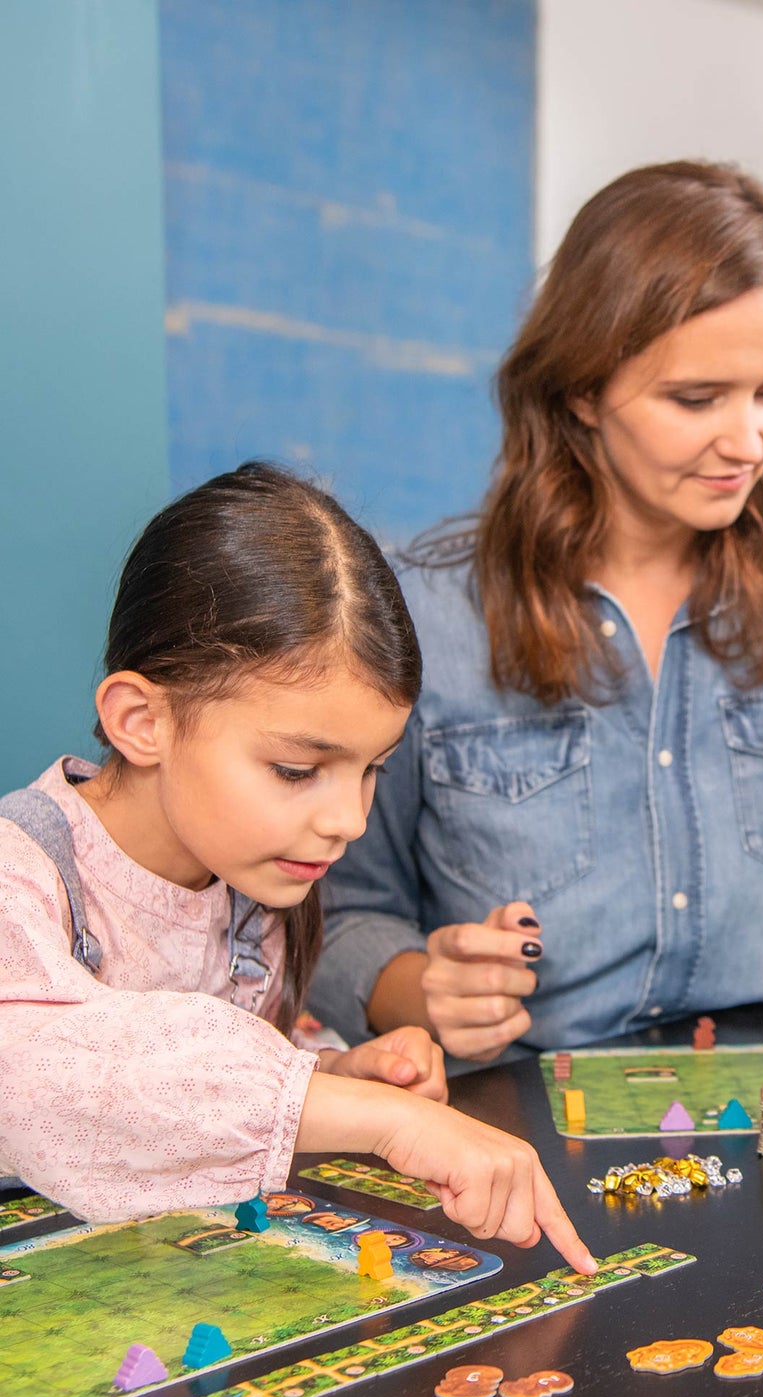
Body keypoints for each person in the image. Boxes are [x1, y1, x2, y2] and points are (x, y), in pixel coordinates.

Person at [313, 161, 763, 1064]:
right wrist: (421, 990)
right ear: (580, 390)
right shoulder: (426, 608)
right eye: (695, 398)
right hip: (512, 1107)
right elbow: (338, 912)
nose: (750, 440)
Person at [0, 463, 594, 1276]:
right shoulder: (19, 870)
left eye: (371, 768)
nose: (348, 820)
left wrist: (330, 1074)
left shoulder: (249, 875)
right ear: (142, 721)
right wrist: (367, 1116)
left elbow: (200, 1100)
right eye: (294, 769)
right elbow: (42, 1076)